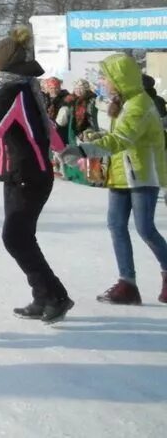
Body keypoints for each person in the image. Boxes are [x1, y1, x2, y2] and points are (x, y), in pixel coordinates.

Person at [0, 27, 73, 324]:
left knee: (15, 237)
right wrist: (64, 151)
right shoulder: (25, 88)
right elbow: (48, 127)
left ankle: (55, 295)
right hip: (20, 174)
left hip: (28, 175)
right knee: (21, 237)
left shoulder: (13, 92)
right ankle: (45, 296)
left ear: (2, 65)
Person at [59, 55, 167, 305]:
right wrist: (96, 138)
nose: (103, 81)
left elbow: (122, 140)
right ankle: (127, 283)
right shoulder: (125, 102)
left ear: (119, 79)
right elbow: (118, 136)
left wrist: (85, 150)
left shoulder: (140, 103)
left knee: (145, 228)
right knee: (116, 225)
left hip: (142, 174)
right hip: (121, 173)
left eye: (106, 77)